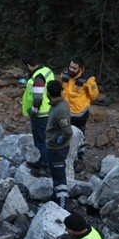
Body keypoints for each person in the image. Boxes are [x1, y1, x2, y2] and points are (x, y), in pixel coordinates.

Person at [21, 53, 55, 171]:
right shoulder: (47, 70)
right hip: (49, 109)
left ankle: (46, 166)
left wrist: (34, 111)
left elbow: (38, 98)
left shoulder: (38, 77)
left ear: (28, 65)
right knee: (46, 139)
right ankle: (43, 161)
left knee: (40, 141)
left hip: (41, 114)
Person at [61, 57, 99, 161]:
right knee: (64, 132)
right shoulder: (64, 75)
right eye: (70, 67)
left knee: (80, 134)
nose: (71, 70)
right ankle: (65, 152)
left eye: (74, 68)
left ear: (81, 69)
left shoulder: (88, 79)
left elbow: (94, 95)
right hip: (65, 111)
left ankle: (80, 155)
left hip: (79, 114)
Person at [45, 80, 73, 208]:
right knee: (55, 174)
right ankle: (56, 196)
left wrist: (58, 142)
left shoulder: (60, 109)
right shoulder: (58, 104)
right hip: (54, 147)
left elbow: (67, 131)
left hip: (57, 149)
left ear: (48, 93)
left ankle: (63, 204)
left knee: (59, 176)